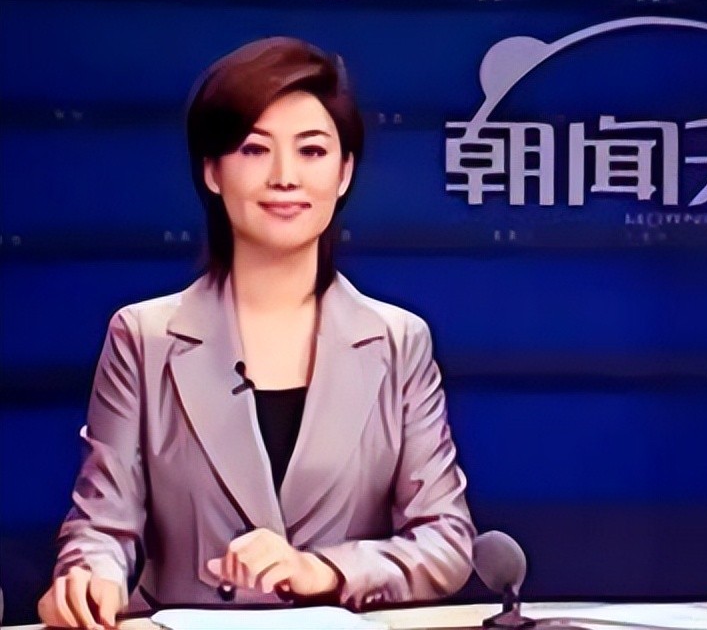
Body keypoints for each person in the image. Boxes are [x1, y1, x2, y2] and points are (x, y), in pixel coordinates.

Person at [38, 38, 475, 629]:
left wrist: (324, 570)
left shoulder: (399, 342)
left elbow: (445, 541)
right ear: (213, 172)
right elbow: (101, 526)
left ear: (344, 173)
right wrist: (90, 577)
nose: (285, 177)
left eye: (312, 151)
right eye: (253, 149)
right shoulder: (143, 337)